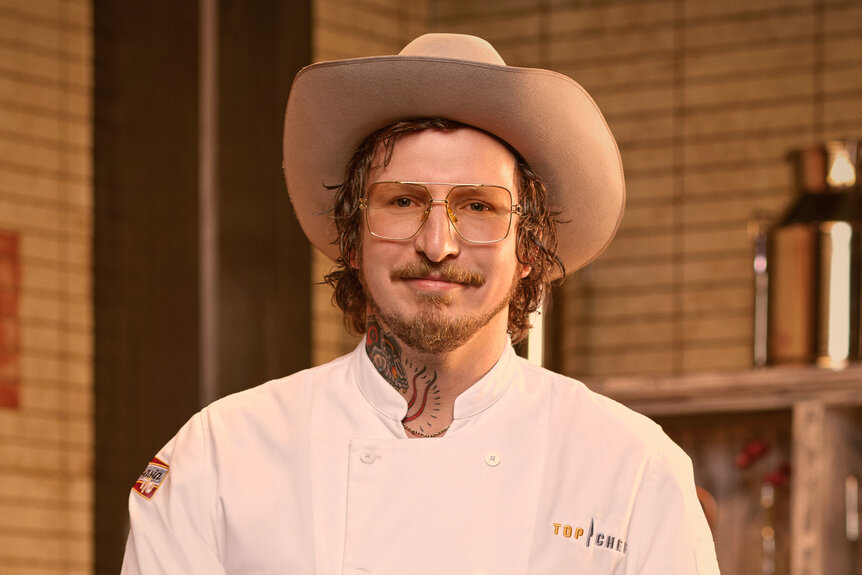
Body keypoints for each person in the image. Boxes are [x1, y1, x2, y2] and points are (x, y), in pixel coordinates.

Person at [122, 33, 720, 574]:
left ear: (529, 248)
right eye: (403, 202)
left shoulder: (634, 471)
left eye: (480, 206)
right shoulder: (218, 458)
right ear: (353, 240)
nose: (438, 244)